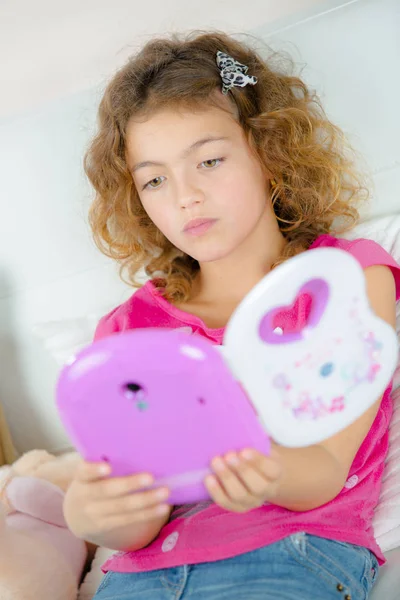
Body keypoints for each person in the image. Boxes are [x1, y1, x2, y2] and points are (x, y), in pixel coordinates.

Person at [63, 31, 400, 599]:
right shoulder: (126, 329)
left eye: (210, 160)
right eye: (155, 179)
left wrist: (260, 465)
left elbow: (324, 471)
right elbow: (141, 521)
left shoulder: (344, 279)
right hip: (139, 578)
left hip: (293, 553)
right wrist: (92, 513)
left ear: (268, 152)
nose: (185, 196)